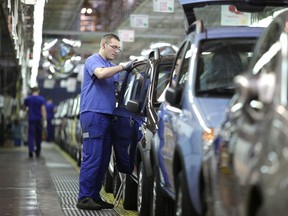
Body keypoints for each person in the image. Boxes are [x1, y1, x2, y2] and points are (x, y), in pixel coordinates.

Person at [76, 33, 135, 210]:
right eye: (113, 47)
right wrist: (123, 67)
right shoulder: (94, 61)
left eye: (119, 48)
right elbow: (101, 74)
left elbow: (116, 91)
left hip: (108, 116)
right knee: (92, 157)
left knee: (102, 159)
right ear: (103, 45)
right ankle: (84, 197)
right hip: (93, 114)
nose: (116, 51)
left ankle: (94, 195)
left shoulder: (111, 67)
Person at [23, 87, 47, 158]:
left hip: (31, 120)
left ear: (31, 91)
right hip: (38, 120)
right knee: (38, 136)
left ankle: (31, 150)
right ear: (38, 91)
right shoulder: (41, 99)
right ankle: (38, 151)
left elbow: (24, 108)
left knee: (31, 135)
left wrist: (27, 109)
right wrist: (45, 120)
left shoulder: (28, 99)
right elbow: (43, 109)